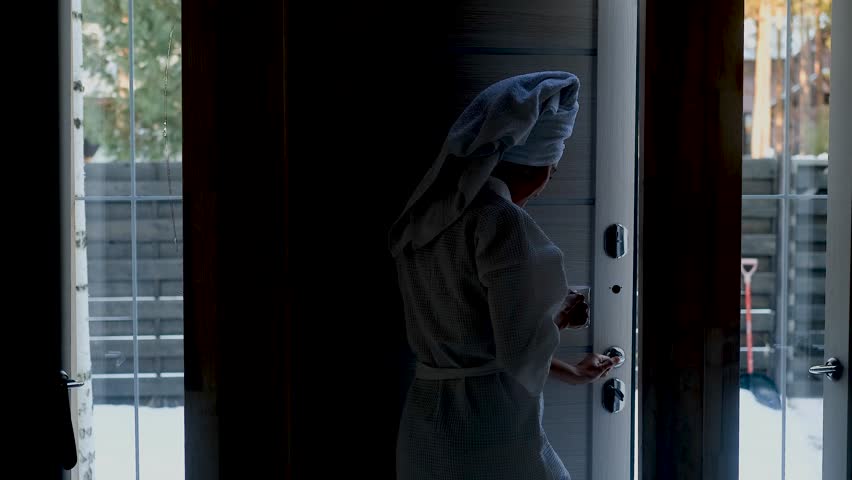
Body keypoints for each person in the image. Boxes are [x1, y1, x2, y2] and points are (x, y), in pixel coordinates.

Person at [389, 71, 617, 480]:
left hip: (425, 425)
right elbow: (518, 351)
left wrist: (572, 371)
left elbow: (480, 341)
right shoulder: (501, 221)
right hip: (486, 430)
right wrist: (559, 316)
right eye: (554, 165)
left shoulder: (425, 217)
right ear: (542, 165)